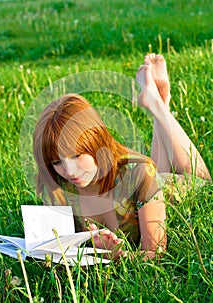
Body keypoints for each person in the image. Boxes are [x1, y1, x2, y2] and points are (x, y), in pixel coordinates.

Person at [33, 54, 211, 261]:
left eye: (77, 155)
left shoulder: (141, 173)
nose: (69, 171)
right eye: (56, 162)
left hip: (172, 189)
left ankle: (158, 107)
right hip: (150, 179)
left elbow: (155, 253)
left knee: (204, 184)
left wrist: (116, 257)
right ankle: (156, 100)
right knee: (153, 172)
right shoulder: (57, 188)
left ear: (96, 142)